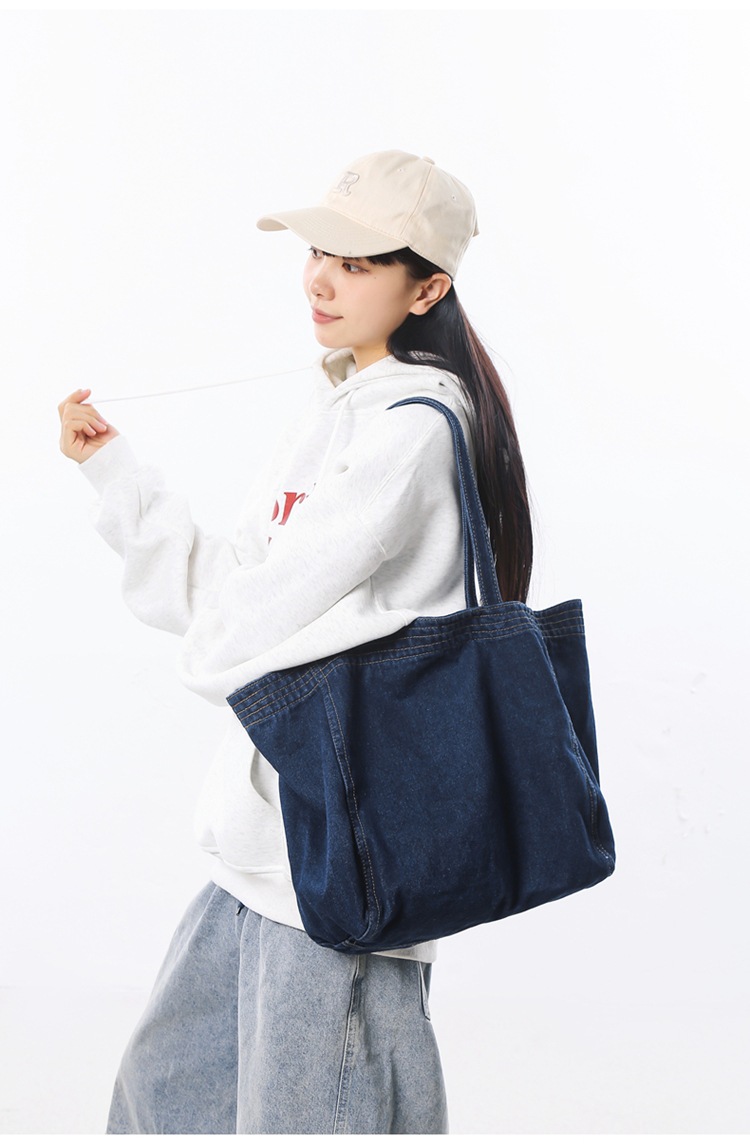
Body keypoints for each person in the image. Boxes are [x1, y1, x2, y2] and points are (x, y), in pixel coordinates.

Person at [58, 150, 533, 1135]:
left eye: (356, 264)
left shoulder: (413, 429)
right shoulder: (342, 406)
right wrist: (117, 474)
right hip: (264, 849)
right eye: (318, 252)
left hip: (342, 865)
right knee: (163, 1105)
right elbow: (235, 592)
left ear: (427, 289)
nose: (320, 278)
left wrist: (223, 640)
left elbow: (257, 617)